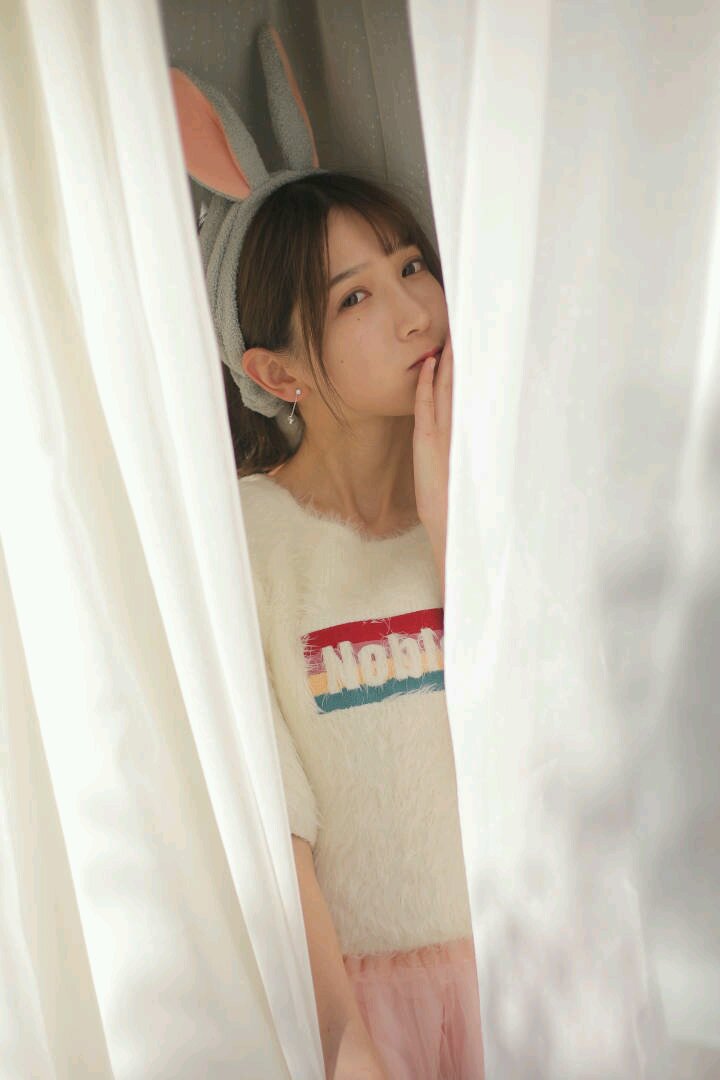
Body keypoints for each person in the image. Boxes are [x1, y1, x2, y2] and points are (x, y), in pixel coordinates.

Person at [171, 29, 484, 1079]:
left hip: (525, 967)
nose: (416, 313)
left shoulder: (495, 500)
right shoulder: (246, 542)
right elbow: (273, 821)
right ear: (276, 372)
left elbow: (549, 725)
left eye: (411, 266)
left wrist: (454, 527)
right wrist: (346, 1037)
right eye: (356, 297)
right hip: (359, 1014)